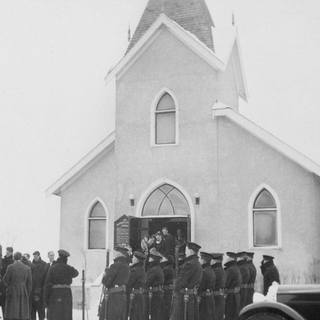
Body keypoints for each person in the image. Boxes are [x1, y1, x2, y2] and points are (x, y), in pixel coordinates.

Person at [170, 242, 203, 320]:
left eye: (186, 250)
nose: (185, 252)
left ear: (190, 251)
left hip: (184, 299)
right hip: (191, 297)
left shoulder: (189, 264)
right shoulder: (198, 264)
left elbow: (180, 282)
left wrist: (175, 285)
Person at [44, 249, 79, 320]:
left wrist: (46, 299)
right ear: (66, 259)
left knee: (55, 314)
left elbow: (47, 284)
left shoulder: (52, 268)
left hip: (54, 294)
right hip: (66, 294)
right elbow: (76, 273)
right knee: (66, 314)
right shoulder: (68, 268)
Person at [99, 246, 130, 320]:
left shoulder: (115, 266)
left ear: (119, 254)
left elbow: (106, 282)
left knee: (110, 316)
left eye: (115, 252)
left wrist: (106, 273)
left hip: (113, 297)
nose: (114, 254)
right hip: (122, 296)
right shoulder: (127, 266)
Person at [2, 251, 32, 320]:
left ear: (13, 258)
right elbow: (29, 283)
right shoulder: (27, 268)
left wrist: (9, 287)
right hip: (23, 291)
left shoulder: (10, 267)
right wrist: (26, 293)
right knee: (22, 313)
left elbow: (5, 280)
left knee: (12, 313)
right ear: (21, 258)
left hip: (12, 291)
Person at [127, 251, 147, 320]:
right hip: (140, 297)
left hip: (134, 298)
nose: (132, 258)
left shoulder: (135, 270)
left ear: (137, 260)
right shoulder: (141, 269)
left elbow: (128, 283)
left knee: (134, 316)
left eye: (133, 257)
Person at [146, 249, 164, 320]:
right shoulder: (158, 268)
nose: (149, 259)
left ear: (154, 259)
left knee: (154, 315)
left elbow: (147, 282)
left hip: (154, 295)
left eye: (151, 257)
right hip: (158, 294)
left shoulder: (154, 269)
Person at [224, 252, 242, 320]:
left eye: (228, 257)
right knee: (235, 315)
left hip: (230, 296)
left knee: (229, 315)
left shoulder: (230, 269)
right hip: (236, 295)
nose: (227, 259)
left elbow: (225, 283)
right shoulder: (236, 268)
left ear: (231, 259)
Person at [198, 252, 216, 320]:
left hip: (204, 299)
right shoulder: (211, 270)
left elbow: (201, 286)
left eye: (201, 259)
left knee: (203, 316)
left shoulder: (204, 271)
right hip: (210, 297)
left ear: (204, 260)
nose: (200, 261)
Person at [31, 251, 47, 320]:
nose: (35, 257)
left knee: (41, 313)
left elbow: (46, 279)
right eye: (34, 256)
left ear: (39, 256)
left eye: (36, 256)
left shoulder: (44, 265)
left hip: (41, 291)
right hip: (32, 291)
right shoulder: (31, 265)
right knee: (32, 312)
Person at [0, 246, 14, 317]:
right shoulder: (2, 260)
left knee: (9, 306)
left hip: (9, 286)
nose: (7, 253)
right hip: (2, 285)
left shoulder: (13, 262)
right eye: (6, 252)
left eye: (8, 252)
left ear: (11, 252)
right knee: (3, 304)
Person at [211, 253, 225, 320]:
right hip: (220, 296)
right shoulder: (222, 270)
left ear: (214, 261)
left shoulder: (215, 271)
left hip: (215, 297)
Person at [160, 254, 174, 320]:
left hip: (165, 290)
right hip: (170, 290)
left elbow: (161, 279)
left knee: (164, 308)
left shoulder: (166, 269)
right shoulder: (172, 269)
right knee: (168, 308)